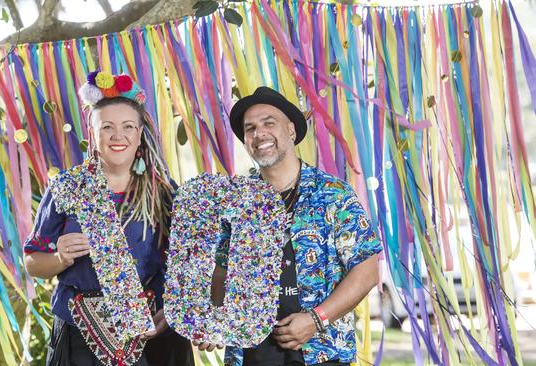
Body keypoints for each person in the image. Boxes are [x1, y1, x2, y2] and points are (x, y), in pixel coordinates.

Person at [198, 87, 382, 366]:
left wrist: (316, 319)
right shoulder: (236, 203)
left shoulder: (332, 194)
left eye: (269, 122)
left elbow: (366, 271)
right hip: (251, 356)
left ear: (292, 131)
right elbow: (222, 272)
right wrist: (218, 316)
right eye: (250, 129)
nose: (259, 134)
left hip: (320, 354)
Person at [24, 72, 193, 366]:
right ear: (93, 134)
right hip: (79, 334)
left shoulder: (164, 192)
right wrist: (60, 258)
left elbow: (187, 262)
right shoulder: (68, 186)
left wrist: (173, 308)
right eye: (107, 127)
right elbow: (32, 263)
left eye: (128, 126)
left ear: (140, 134)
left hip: (152, 333)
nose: (118, 136)